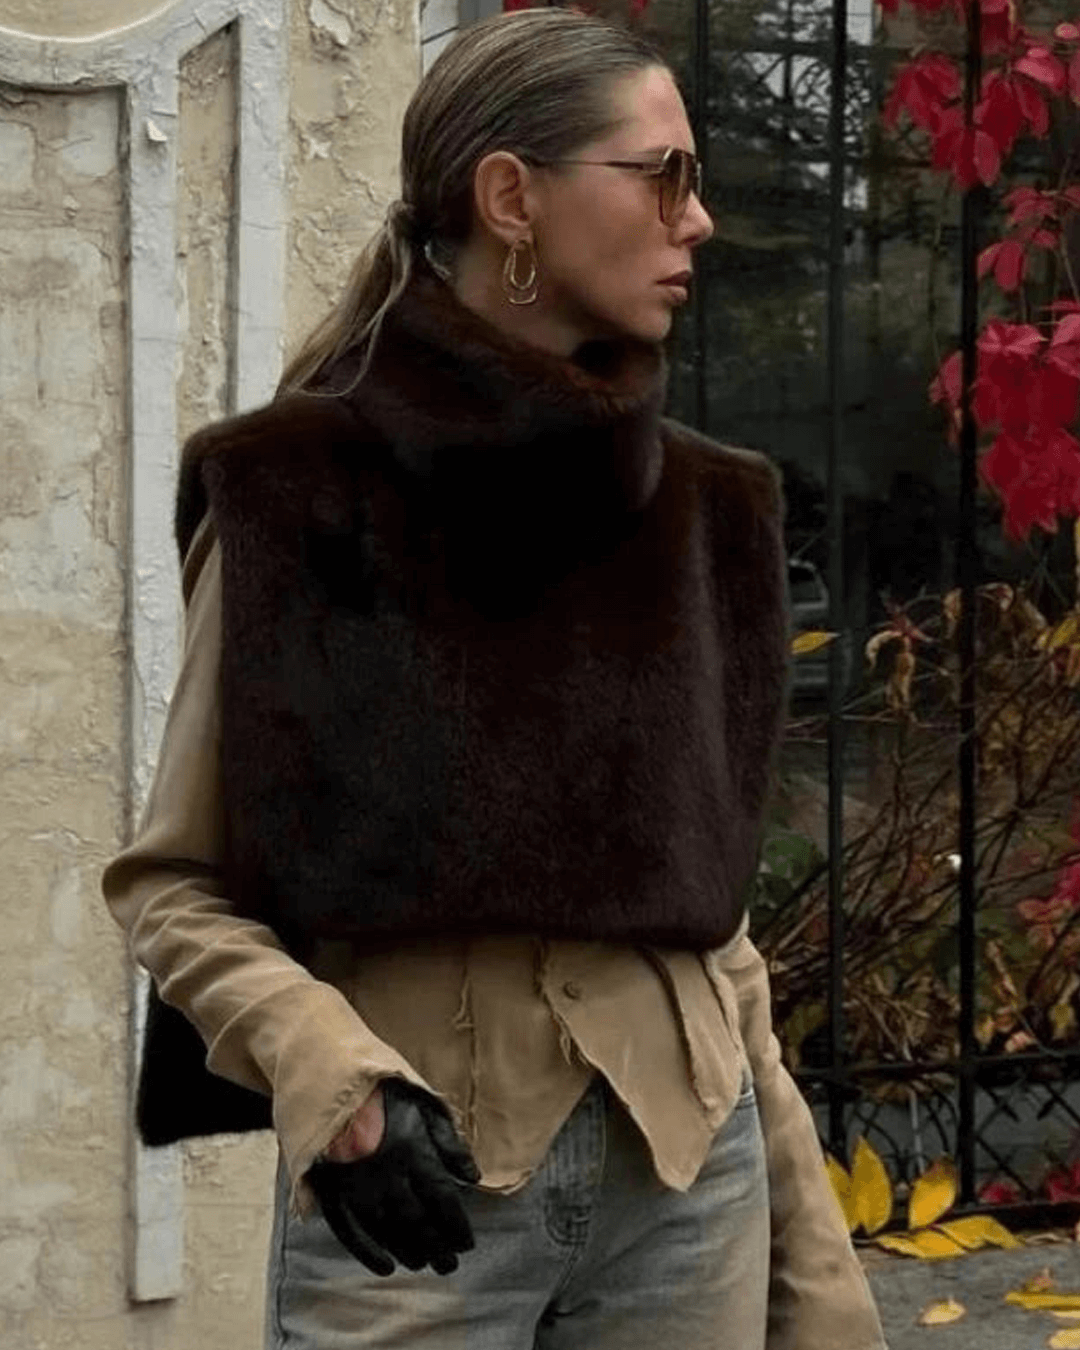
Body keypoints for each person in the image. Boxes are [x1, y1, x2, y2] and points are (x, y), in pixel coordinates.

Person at [102, 9, 887, 1349]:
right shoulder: (301, 496)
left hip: (698, 1179)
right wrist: (331, 1077)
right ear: (512, 196)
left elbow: (715, 935)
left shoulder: (714, 509)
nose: (698, 222)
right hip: (418, 1196)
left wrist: (821, 1287)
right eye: (664, 176)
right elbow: (175, 888)